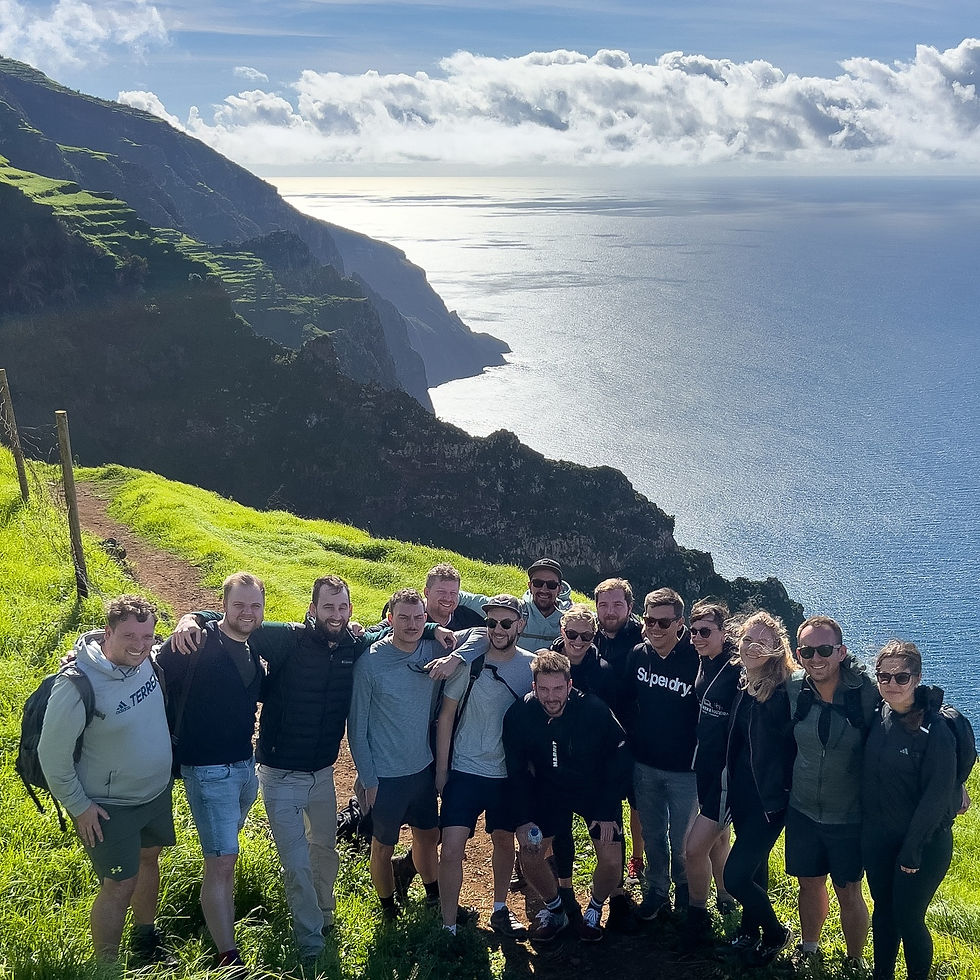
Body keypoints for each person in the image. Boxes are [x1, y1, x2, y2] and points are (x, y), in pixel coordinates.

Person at [171, 577, 454, 959]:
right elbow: (238, 622)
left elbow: (398, 630)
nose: (336, 616)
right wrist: (192, 617)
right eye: (328, 608)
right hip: (279, 773)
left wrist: (435, 628)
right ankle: (311, 942)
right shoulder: (287, 638)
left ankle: (326, 917)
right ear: (313, 609)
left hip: (322, 774)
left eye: (342, 608)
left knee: (325, 853)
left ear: (351, 610)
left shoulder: (357, 645)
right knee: (297, 864)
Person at [38, 596, 175, 965]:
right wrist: (80, 808)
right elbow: (51, 756)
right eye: (130, 635)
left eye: (147, 635)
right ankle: (107, 967)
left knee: (150, 861)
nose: (140, 644)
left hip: (154, 794)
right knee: (118, 884)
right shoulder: (77, 684)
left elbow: (195, 628)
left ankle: (146, 939)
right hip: (109, 807)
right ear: (107, 632)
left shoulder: (148, 659)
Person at [155, 572, 266, 970]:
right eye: (239, 604)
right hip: (206, 769)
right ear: (224, 605)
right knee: (221, 860)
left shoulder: (254, 650)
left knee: (224, 857)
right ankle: (227, 957)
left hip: (243, 768)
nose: (247, 612)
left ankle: (215, 919)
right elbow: (147, 668)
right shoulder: (195, 641)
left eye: (255, 605)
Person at [502, 650, 631, 944]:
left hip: (594, 790)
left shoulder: (593, 709)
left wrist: (607, 808)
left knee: (611, 857)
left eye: (558, 688)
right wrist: (523, 819)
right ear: (534, 687)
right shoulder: (520, 714)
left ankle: (595, 909)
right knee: (530, 853)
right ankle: (555, 908)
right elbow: (516, 770)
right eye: (544, 689)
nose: (551, 696)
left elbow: (622, 755)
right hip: (549, 790)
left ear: (569, 685)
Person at [347, 588, 455, 919]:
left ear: (426, 618)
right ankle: (387, 908)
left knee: (429, 837)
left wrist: (445, 643)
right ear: (390, 619)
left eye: (418, 618)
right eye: (403, 618)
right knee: (382, 847)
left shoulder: (433, 648)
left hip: (421, 770)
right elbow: (356, 728)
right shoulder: (370, 663)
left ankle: (433, 897)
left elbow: (479, 635)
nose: (411, 624)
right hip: (385, 777)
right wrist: (369, 780)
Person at [434, 595, 534, 938]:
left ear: (520, 625)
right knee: (451, 849)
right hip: (464, 769)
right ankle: (448, 924)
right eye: (491, 623)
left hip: (506, 775)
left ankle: (499, 908)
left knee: (505, 843)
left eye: (506, 623)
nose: (498, 630)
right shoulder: (469, 662)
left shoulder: (532, 667)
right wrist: (442, 771)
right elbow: (446, 716)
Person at [862, 640, 961, 980]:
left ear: (917, 678)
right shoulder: (878, 712)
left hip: (922, 846)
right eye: (883, 676)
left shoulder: (935, 730)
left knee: (908, 918)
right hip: (878, 838)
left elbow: (936, 798)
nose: (891, 684)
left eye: (901, 677)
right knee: (884, 912)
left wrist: (911, 853)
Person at [786, 615, 879, 967]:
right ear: (797, 654)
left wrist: (957, 779)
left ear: (841, 652)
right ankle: (810, 949)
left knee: (849, 892)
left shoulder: (866, 692)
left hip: (849, 815)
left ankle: (854, 961)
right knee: (808, 884)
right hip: (803, 809)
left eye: (825, 649)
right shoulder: (793, 688)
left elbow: (914, 718)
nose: (816, 658)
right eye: (807, 651)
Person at [549, 604, 636, 932]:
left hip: (598, 768)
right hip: (560, 765)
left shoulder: (602, 671)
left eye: (586, 635)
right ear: (562, 630)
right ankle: (566, 889)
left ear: (594, 635)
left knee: (612, 829)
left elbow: (614, 719)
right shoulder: (548, 663)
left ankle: (615, 894)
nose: (578, 640)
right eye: (572, 633)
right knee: (560, 830)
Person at [721, 610, 796, 967]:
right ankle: (751, 932)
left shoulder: (783, 692)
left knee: (735, 877)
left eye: (762, 642)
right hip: (744, 795)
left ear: (776, 648)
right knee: (755, 868)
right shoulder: (745, 682)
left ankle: (776, 933)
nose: (752, 647)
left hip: (770, 801)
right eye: (747, 639)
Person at [620, 587, 700, 921]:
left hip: (685, 770)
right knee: (652, 835)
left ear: (680, 623)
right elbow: (625, 702)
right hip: (645, 764)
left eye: (663, 623)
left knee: (682, 842)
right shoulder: (638, 654)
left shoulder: (696, 659)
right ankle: (656, 891)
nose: (655, 628)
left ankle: (686, 892)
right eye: (649, 620)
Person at [680, 600, 739, 950]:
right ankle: (727, 899)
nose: (698, 637)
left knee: (692, 849)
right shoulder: (704, 661)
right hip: (705, 767)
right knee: (718, 840)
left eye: (706, 631)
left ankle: (697, 917)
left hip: (724, 774)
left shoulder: (735, 668)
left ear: (723, 632)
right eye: (694, 631)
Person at [593, 578, 646, 886]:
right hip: (600, 741)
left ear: (629, 606)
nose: (610, 612)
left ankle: (637, 860)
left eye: (617, 605)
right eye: (603, 605)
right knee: (608, 802)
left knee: (638, 803)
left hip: (637, 735)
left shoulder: (642, 637)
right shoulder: (589, 636)